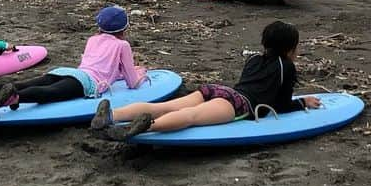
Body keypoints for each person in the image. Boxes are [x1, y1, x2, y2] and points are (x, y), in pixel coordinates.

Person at [91, 20, 321, 140]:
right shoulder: (286, 66)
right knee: (191, 117)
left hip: (216, 90)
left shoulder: (254, 59)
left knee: (164, 106)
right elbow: (279, 104)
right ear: (290, 48)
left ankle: (112, 115)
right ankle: (142, 128)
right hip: (239, 104)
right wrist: (302, 103)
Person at [0, 5, 146, 116]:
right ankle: (14, 98)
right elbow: (132, 82)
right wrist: (140, 74)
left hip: (69, 72)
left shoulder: (93, 39)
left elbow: (105, 66)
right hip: (89, 83)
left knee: (25, 82)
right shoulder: (123, 46)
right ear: (124, 28)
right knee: (51, 93)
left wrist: (119, 74)